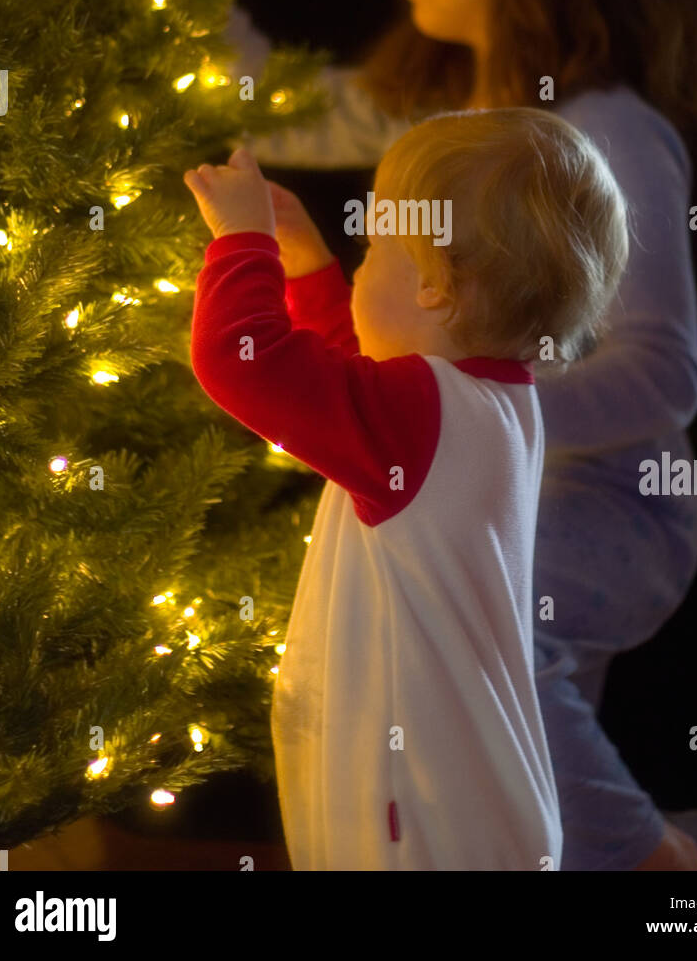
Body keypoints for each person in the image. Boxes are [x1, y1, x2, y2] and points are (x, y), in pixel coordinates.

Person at [221, 0, 697, 871]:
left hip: (610, 506)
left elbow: (664, 376)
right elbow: (283, 100)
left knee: (505, 731)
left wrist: (466, 411)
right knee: (504, 777)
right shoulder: (457, 129)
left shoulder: (603, 133)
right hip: (498, 488)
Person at [184, 109, 630, 869]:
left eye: (373, 249)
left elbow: (243, 359)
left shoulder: (422, 417)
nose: (360, 267)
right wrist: (308, 264)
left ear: (433, 286)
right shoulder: (483, 403)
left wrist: (243, 243)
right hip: (467, 812)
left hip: (422, 822)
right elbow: (351, 375)